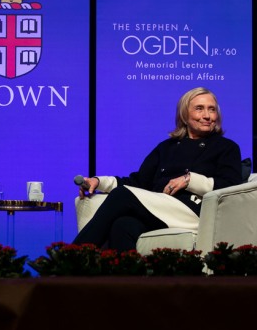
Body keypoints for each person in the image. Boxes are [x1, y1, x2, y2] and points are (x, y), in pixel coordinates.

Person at [73, 87, 244, 251]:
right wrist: (99, 181)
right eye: (199, 109)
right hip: (160, 209)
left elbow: (230, 184)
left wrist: (189, 180)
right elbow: (138, 182)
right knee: (123, 225)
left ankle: (70, 257)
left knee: (122, 195)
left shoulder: (226, 147)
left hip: (193, 211)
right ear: (184, 115)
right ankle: (125, 272)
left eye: (212, 109)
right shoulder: (166, 147)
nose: (207, 115)